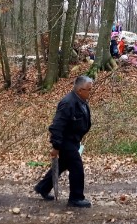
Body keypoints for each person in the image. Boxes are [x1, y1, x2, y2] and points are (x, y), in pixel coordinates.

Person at [34, 76, 93, 208]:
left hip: (74, 140)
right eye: (88, 90)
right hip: (66, 141)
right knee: (77, 168)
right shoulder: (68, 103)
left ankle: (42, 187)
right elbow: (57, 126)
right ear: (79, 90)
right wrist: (56, 146)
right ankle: (76, 198)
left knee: (63, 164)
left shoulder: (81, 100)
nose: (90, 92)